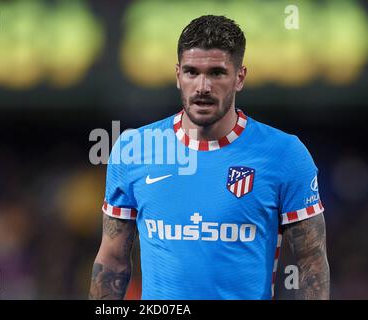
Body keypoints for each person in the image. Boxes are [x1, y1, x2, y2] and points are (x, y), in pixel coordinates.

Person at [89, 15, 329, 300]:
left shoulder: (285, 155)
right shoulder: (133, 149)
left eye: (216, 73)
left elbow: (311, 265)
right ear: (178, 75)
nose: (202, 86)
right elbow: (113, 261)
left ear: (239, 77)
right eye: (192, 72)